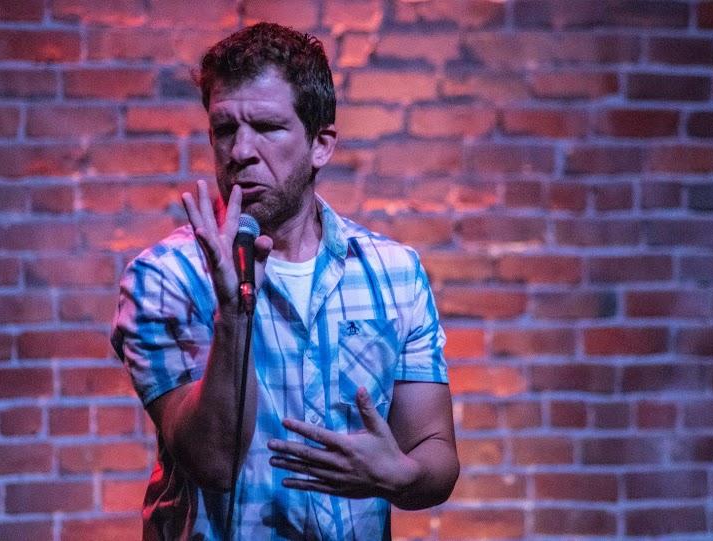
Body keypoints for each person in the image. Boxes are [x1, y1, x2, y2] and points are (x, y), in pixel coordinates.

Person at [111, 22, 459, 541]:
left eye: (268, 128)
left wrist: (402, 476)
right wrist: (234, 312)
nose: (240, 151)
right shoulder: (164, 277)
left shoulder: (394, 272)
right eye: (225, 129)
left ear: (320, 145)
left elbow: (436, 453)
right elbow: (213, 461)